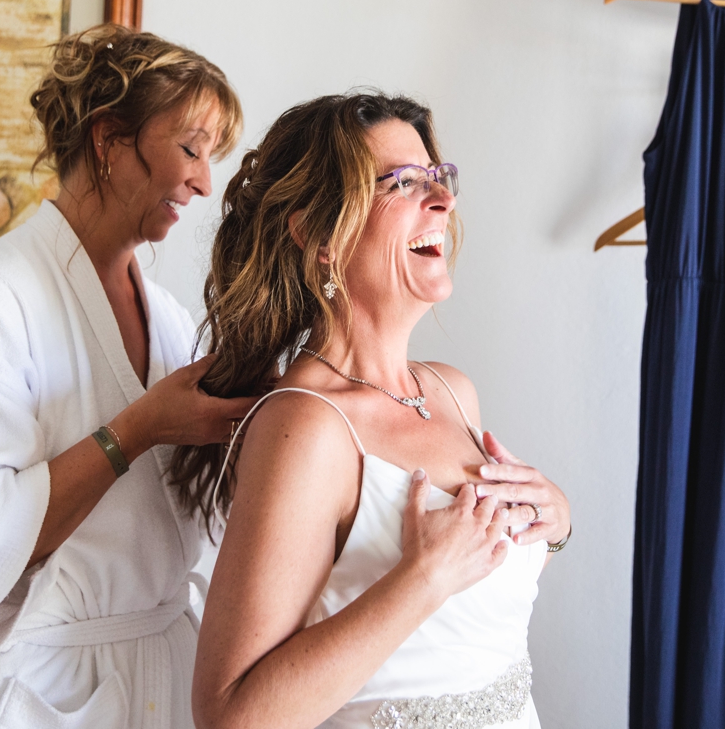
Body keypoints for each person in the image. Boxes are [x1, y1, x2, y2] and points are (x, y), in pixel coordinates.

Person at [0, 26, 257, 729]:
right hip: (21, 686)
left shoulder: (169, 318)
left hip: (146, 669)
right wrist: (136, 429)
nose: (205, 182)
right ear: (109, 140)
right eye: (191, 149)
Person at [177, 91, 568, 729]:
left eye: (438, 177)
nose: (443, 200)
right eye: (404, 182)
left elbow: (466, 618)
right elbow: (230, 715)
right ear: (319, 235)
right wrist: (422, 580)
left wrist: (554, 525)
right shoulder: (306, 428)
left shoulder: (451, 392)